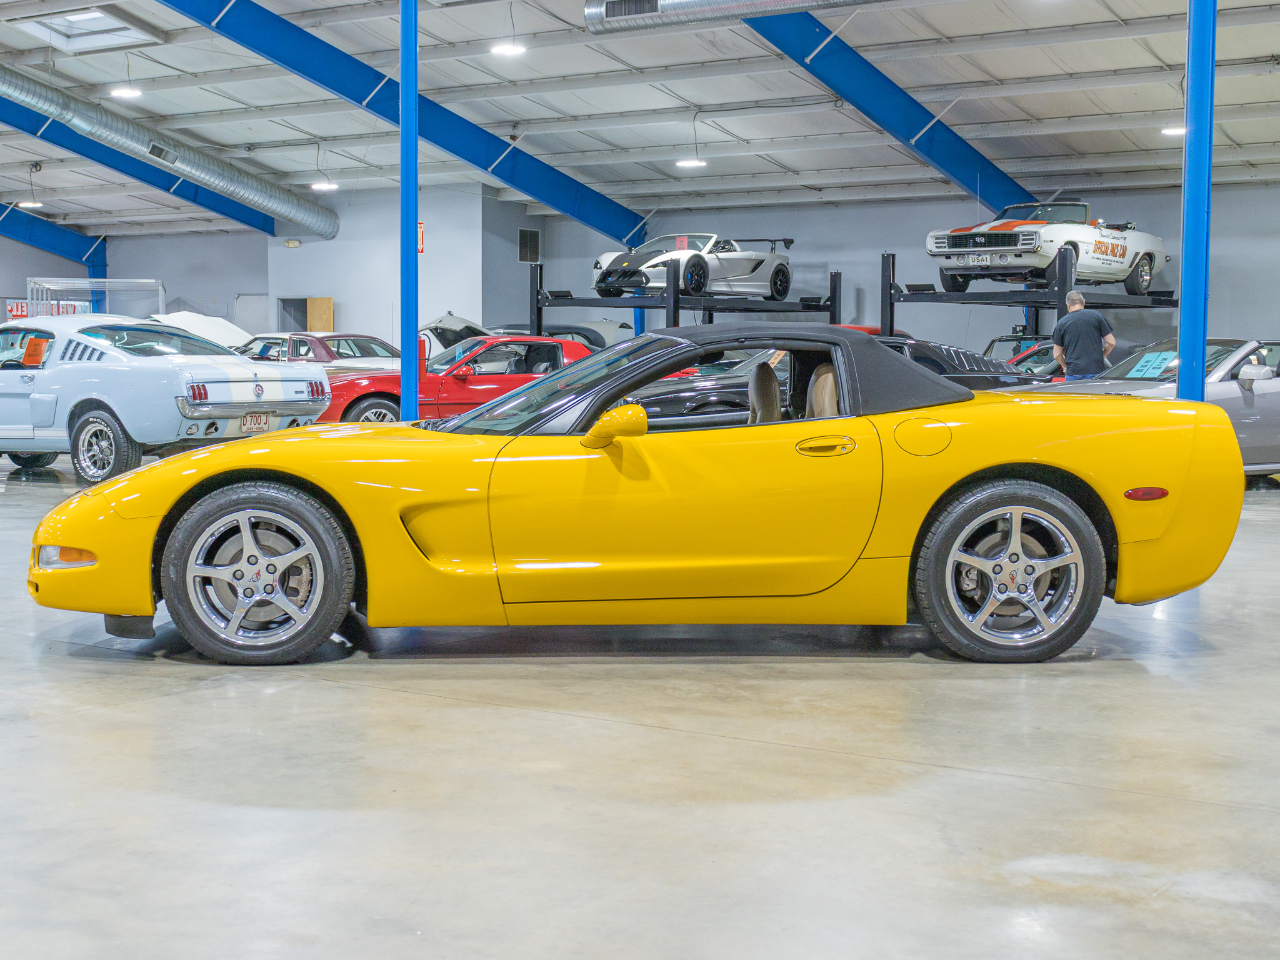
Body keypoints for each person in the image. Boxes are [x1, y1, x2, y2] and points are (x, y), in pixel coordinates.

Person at [1052, 291, 1115, 380]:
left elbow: (1057, 354)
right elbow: (1111, 342)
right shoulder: (1096, 316)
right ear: (1084, 302)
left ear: (1067, 304)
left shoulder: (1062, 323)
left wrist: (1066, 365)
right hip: (1096, 371)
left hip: (1074, 373)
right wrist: (1102, 356)